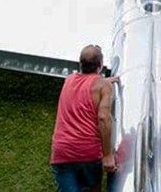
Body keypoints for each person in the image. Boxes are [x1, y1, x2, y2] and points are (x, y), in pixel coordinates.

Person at [50, 44, 118, 192]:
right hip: (89, 154)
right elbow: (103, 118)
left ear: (80, 64)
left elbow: (84, 86)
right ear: (100, 65)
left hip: (62, 152)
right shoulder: (103, 87)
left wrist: (104, 82)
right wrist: (107, 156)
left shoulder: (68, 80)